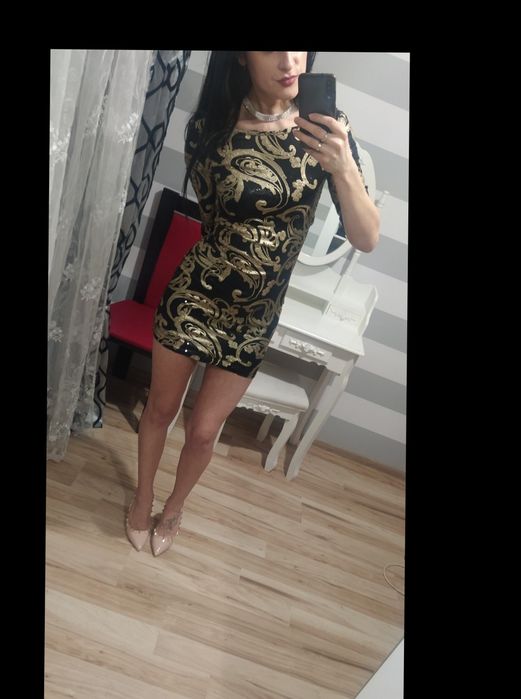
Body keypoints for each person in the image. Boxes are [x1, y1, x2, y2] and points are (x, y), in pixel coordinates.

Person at [125, 51, 380, 556]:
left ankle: (174, 508)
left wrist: (344, 166)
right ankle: (143, 497)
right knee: (159, 410)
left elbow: (366, 237)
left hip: (254, 317)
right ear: (240, 56)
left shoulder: (327, 129)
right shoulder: (209, 129)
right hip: (194, 295)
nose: (290, 61)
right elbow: (215, 221)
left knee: (203, 433)